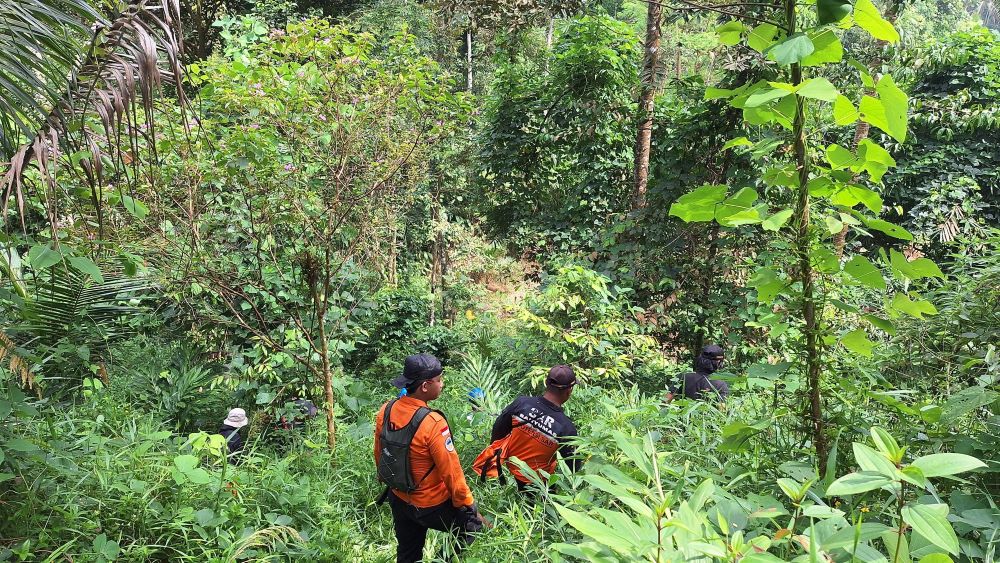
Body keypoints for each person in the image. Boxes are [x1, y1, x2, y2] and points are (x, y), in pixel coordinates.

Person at [374, 353, 485, 563]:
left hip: (397, 497)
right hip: (429, 505)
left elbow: (379, 452)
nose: (441, 384)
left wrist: (387, 481)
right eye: (440, 380)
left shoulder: (386, 409)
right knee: (471, 527)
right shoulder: (433, 423)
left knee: (407, 553)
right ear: (425, 386)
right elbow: (451, 472)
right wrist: (468, 505)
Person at [472, 365, 582, 491]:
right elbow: (573, 466)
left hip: (510, 471)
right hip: (539, 484)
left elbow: (499, 428)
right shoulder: (566, 428)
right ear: (569, 391)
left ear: (546, 383)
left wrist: (498, 456)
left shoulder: (521, 403)